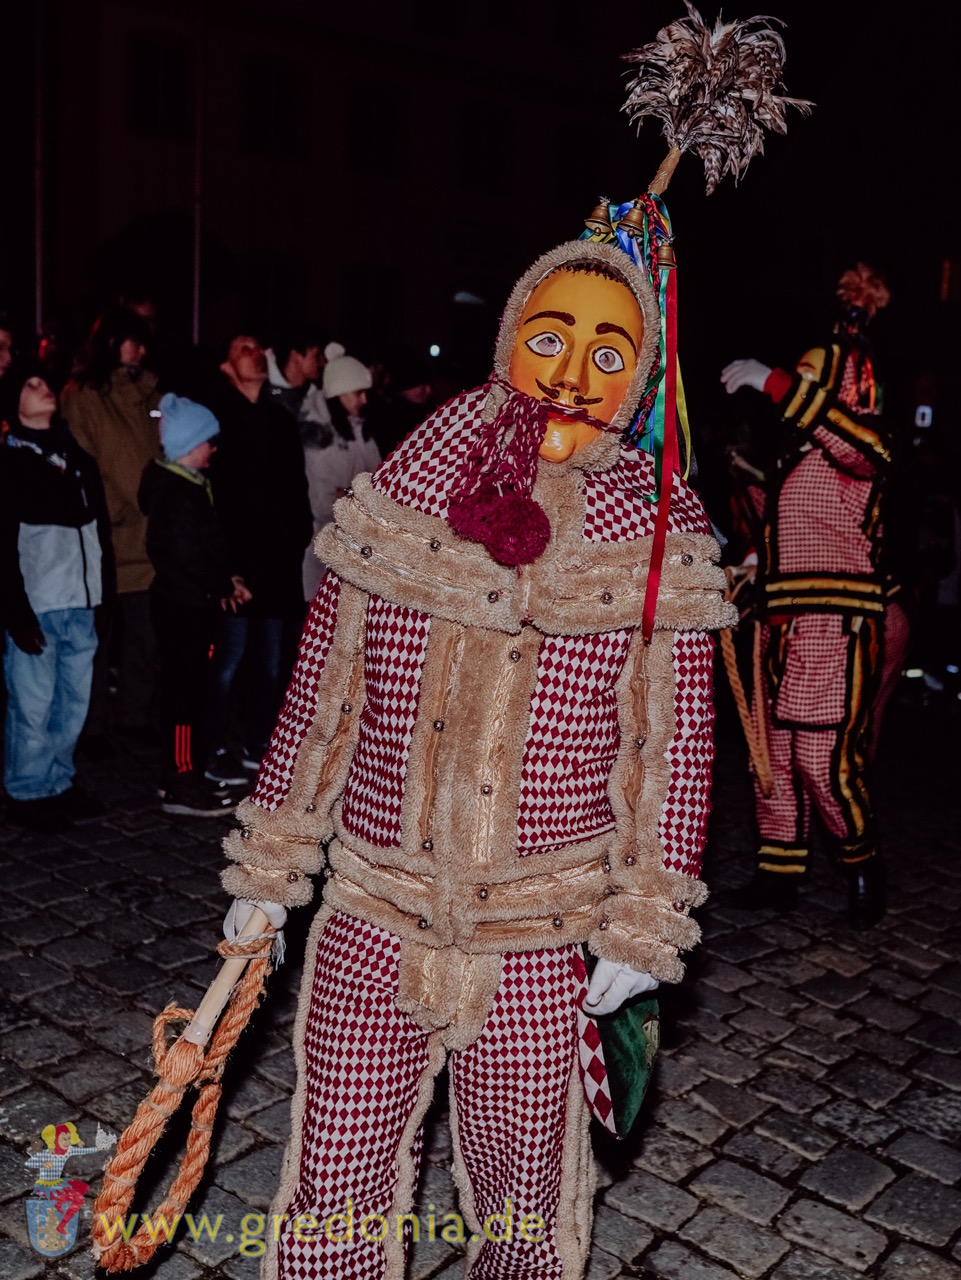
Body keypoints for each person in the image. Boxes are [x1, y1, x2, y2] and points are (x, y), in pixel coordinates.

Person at [221, 235, 734, 1279]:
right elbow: (323, 699)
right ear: (508, 341)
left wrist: (643, 920)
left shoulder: (655, 532)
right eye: (549, 338)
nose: (570, 373)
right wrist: (270, 875)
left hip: (541, 929)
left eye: (606, 354)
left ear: (637, 378)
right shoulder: (410, 485)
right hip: (375, 908)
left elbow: (668, 748)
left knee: (522, 1197)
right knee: (336, 1176)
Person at [720, 262, 895, 928]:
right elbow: (785, 532)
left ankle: (862, 866)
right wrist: (750, 559)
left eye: (808, 379)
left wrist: (774, 381)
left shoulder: (863, 448)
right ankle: (778, 874)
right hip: (781, 623)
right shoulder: (795, 460)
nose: (793, 387)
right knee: (772, 757)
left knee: (823, 762)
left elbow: (856, 443)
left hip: (833, 623)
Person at [0, 365, 113, 833]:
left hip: (80, 602)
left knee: (73, 703)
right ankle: (27, 788)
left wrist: (103, 599)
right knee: (33, 704)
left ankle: (58, 780)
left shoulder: (76, 457)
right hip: (39, 605)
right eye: (30, 385)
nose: (43, 388)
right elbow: (4, 546)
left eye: (44, 382)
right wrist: (17, 614)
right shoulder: (10, 463)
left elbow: (99, 533)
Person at [203, 333, 313, 785]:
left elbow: (296, 486)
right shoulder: (216, 420)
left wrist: (298, 537)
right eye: (243, 349)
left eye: (257, 347)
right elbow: (212, 497)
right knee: (227, 660)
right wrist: (222, 566)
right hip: (235, 562)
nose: (256, 354)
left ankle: (258, 741)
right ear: (226, 366)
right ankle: (209, 748)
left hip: (277, 561)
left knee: (269, 663)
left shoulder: (280, 419)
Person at [138, 393, 250, 817]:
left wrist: (226, 579)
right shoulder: (177, 492)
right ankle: (180, 780)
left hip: (191, 603)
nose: (214, 449)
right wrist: (222, 584)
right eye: (209, 440)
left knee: (192, 691)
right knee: (183, 696)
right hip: (182, 607)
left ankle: (188, 773)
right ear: (189, 443)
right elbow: (188, 553)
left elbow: (205, 547)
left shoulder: (188, 486)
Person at [61, 307, 161, 748]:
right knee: (96, 640)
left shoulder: (149, 393)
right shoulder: (84, 394)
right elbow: (97, 461)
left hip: (146, 536)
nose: (141, 350)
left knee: (144, 636)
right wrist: (123, 506)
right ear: (111, 342)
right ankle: (93, 722)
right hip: (105, 535)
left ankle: (135, 715)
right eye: (132, 341)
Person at [299, 342, 381, 601]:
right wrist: (357, 494)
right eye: (358, 393)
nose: (364, 400)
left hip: (355, 547)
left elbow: (377, 481)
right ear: (340, 393)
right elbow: (322, 502)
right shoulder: (319, 438)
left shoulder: (359, 429)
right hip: (324, 550)